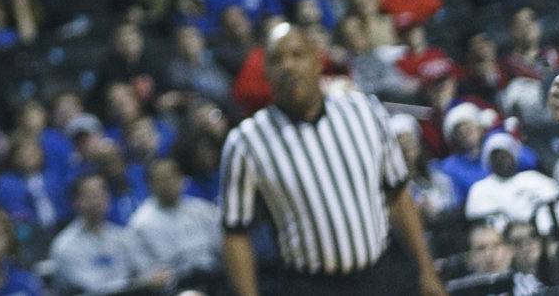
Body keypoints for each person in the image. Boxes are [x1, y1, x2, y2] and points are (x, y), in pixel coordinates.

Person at [218, 23, 446, 296]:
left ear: (317, 61)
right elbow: (235, 235)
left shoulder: (364, 110)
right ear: (266, 73)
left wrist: (427, 271)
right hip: (312, 285)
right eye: (277, 60)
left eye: (297, 54)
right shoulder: (246, 142)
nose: (288, 66)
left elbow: (397, 195)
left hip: (383, 274)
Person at [125, 157, 218, 287]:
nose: (169, 183)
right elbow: (149, 276)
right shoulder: (140, 224)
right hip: (177, 287)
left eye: (172, 176)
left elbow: (222, 248)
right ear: (150, 185)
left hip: (216, 277)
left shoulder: (202, 209)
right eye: (161, 179)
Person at [51, 173, 149, 295]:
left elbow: (142, 270)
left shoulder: (120, 235)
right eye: (92, 195)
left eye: (102, 193)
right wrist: (135, 284)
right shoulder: (66, 245)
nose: (99, 199)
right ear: (76, 202)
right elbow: (93, 290)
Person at [462, 133, 558, 229]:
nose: (501, 159)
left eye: (505, 155)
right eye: (496, 156)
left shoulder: (534, 178)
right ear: (489, 161)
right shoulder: (480, 189)